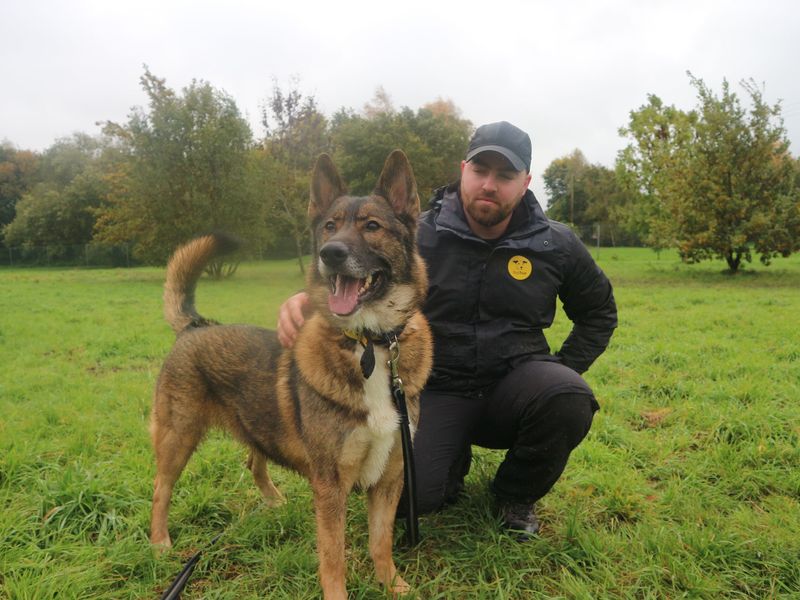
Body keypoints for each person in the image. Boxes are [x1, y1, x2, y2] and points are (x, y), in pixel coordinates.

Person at [278, 121, 617, 539]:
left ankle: (514, 494)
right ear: (463, 170)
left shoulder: (555, 244)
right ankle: (448, 464)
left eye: (505, 176)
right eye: (480, 171)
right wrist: (302, 297)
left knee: (567, 397)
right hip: (435, 391)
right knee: (405, 499)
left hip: (515, 385)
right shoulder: (415, 232)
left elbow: (599, 312)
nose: (489, 185)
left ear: (526, 182)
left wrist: (562, 369)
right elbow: (357, 262)